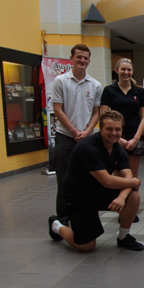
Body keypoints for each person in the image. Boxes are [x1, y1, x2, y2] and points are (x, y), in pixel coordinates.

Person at [47, 111, 144, 252]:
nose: (114, 133)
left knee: (133, 196)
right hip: (79, 195)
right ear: (100, 129)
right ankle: (57, 226)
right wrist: (134, 182)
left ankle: (124, 237)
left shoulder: (117, 148)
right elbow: (107, 181)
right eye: (109, 129)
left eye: (117, 129)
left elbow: (128, 178)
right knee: (86, 246)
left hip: (98, 190)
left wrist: (122, 197)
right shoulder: (88, 147)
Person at [51, 44, 102, 221]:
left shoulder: (95, 85)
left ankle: (83, 212)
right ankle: (64, 216)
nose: (82, 60)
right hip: (65, 137)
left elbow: (96, 112)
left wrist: (88, 131)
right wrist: (73, 131)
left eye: (85, 58)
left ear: (89, 60)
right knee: (64, 179)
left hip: (86, 139)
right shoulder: (60, 81)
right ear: (71, 58)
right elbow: (57, 109)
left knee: (87, 178)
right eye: (79, 57)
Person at [100, 58, 144, 179]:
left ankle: (132, 198)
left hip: (134, 135)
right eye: (123, 69)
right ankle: (118, 198)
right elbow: (103, 116)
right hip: (114, 135)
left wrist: (135, 139)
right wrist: (118, 138)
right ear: (116, 70)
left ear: (132, 72)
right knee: (118, 174)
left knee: (132, 174)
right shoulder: (109, 90)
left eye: (129, 70)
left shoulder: (140, 91)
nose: (126, 72)